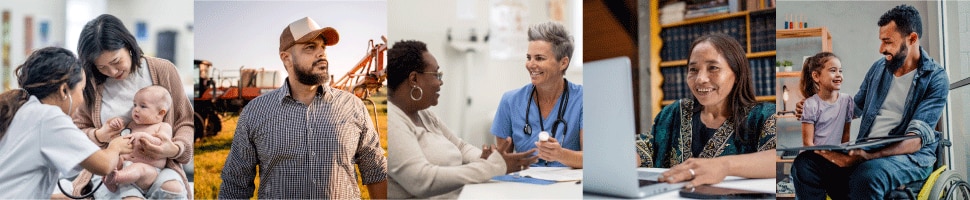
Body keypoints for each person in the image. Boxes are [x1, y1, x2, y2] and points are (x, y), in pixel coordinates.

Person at [218, 16, 387, 199]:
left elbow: (376, 171)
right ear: (286, 58)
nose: (321, 53)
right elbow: (235, 185)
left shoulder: (353, 106)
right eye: (310, 47)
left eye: (323, 47)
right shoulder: (255, 112)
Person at [792, 5, 947, 199]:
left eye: (887, 41)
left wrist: (866, 156)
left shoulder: (936, 78)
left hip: (907, 157)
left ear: (912, 39)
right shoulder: (879, 69)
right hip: (866, 151)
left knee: (866, 176)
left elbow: (915, 141)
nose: (881, 49)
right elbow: (852, 108)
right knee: (804, 164)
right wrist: (816, 106)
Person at [386, 40, 538, 199]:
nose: (440, 82)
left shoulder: (424, 115)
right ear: (414, 79)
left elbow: (461, 147)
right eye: (436, 75)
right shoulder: (392, 121)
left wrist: (488, 158)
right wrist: (494, 166)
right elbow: (422, 180)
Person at [67, 14, 193, 199]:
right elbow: (76, 132)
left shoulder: (164, 71)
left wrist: (174, 149)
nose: (112, 72)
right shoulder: (90, 83)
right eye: (101, 67)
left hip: (160, 169)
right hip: (112, 169)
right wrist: (99, 135)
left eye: (116, 62)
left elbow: (185, 122)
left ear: (128, 45)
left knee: (172, 192)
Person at [635, 33, 777, 188]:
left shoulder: (764, 116)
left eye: (713, 68)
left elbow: (779, 158)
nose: (700, 79)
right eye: (693, 69)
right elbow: (646, 147)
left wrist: (724, 166)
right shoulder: (674, 112)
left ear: (737, 74)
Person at [0, 47, 133, 199]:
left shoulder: (22, 111)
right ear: (64, 90)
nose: (82, 99)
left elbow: (19, 180)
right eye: (82, 90)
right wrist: (116, 146)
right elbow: (104, 165)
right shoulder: (49, 118)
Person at [492, 22, 584, 169]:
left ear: (563, 63)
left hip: (570, 187)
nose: (531, 65)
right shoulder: (510, 101)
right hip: (526, 185)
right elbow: (504, 163)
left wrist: (560, 154)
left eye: (539, 58)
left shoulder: (582, 99)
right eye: (529, 58)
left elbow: (591, 158)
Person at [101, 86, 174, 194]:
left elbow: (161, 144)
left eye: (143, 106)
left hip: (149, 172)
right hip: (124, 165)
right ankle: (109, 178)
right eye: (135, 105)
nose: (136, 109)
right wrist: (115, 124)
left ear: (160, 113)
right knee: (116, 157)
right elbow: (119, 137)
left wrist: (144, 136)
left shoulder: (163, 127)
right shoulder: (132, 124)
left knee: (139, 168)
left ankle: (115, 178)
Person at [799, 52, 853, 147]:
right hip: (813, 158)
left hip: (835, 157)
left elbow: (846, 137)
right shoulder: (811, 104)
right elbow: (808, 143)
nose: (838, 75)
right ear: (816, 76)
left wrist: (843, 157)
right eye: (833, 70)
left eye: (840, 71)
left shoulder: (847, 101)